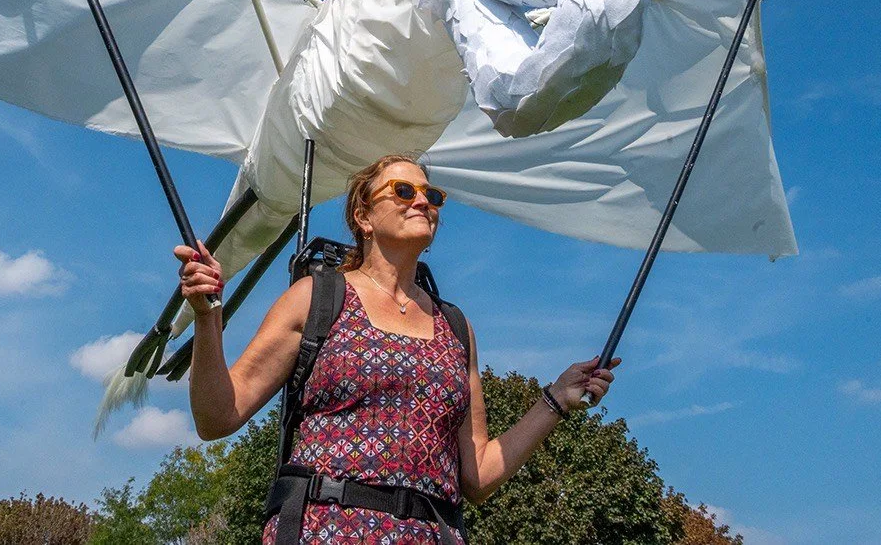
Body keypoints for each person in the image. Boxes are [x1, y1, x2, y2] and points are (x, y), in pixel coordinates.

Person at [175, 152, 619, 544]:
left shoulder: (456, 327)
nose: (423, 201)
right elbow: (218, 416)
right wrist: (207, 315)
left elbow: (478, 475)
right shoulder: (316, 298)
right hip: (323, 529)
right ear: (364, 217)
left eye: (432, 195)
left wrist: (556, 399)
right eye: (404, 190)